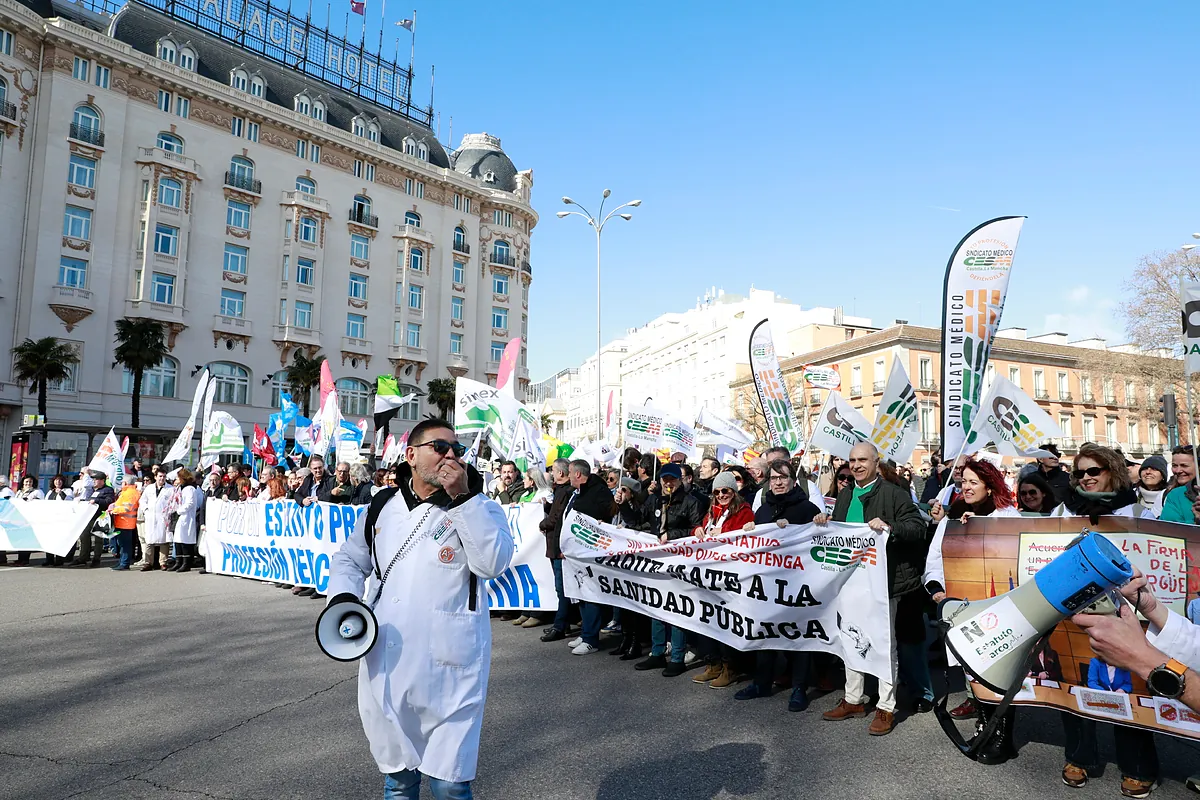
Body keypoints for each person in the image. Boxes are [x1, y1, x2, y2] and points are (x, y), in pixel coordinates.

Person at [327, 418, 513, 800]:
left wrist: (462, 498)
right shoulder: (381, 507)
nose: (450, 455)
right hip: (389, 658)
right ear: (411, 455)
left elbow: (492, 563)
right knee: (398, 779)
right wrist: (344, 600)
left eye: (456, 450)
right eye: (439, 447)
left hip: (450, 665)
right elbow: (349, 560)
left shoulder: (481, 508)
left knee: (449, 784)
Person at [1044, 444, 1159, 795]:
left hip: (1126, 617)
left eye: (1095, 471)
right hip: (1075, 614)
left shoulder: (1139, 511)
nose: (1087, 478)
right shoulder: (1064, 511)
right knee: (1075, 686)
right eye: (1080, 473)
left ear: (1113, 470)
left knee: (1130, 689)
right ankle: (1081, 755)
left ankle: (1138, 766)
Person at [820, 442, 928, 736]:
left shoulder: (893, 493)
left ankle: (886, 707)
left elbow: (917, 527)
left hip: (884, 583)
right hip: (851, 583)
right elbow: (840, 534)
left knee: (883, 643)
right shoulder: (844, 494)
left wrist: (890, 526)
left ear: (876, 462)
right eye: (852, 460)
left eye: (862, 460)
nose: (856, 465)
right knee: (849, 639)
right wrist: (825, 524)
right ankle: (853, 699)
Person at [926, 458, 1021, 762]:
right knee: (974, 672)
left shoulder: (1008, 516)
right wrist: (937, 590)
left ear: (990, 486)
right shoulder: (952, 517)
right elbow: (935, 560)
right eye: (963, 481)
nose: (965, 487)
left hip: (1001, 606)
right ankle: (984, 726)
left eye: (972, 482)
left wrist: (980, 529)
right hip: (962, 608)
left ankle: (1002, 736)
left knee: (1000, 674)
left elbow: (1016, 558)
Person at [733, 459, 823, 710]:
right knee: (765, 633)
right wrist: (750, 531)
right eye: (774, 478)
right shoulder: (762, 510)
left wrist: (818, 522)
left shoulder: (807, 508)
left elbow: (818, 540)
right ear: (768, 482)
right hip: (767, 586)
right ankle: (761, 683)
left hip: (798, 585)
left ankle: (799, 688)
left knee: (799, 636)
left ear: (793, 480)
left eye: (783, 477)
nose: (779, 482)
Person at [635, 463, 706, 675]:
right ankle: (657, 654)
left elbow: (696, 531)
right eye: (665, 479)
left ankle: (677, 657)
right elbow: (639, 520)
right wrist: (623, 505)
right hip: (657, 561)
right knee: (656, 606)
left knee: (676, 609)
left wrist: (672, 537)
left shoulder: (691, 502)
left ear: (679, 480)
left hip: (679, 561)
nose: (668, 483)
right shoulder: (656, 499)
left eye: (672, 479)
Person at [688, 470, 756, 686]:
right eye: (716, 492)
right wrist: (698, 530)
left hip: (730, 574)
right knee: (708, 619)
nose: (721, 495)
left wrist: (724, 532)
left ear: (733, 491)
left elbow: (744, 537)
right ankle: (713, 662)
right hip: (709, 573)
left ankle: (730, 667)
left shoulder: (743, 510)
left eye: (725, 491)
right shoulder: (713, 511)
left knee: (726, 622)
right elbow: (702, 530)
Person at [562, 459, 617, 655]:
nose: (567, 475)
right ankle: (586, 633)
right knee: (580, 594)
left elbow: (610, 511)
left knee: (590, 593)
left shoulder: (597, 490)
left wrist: (602, 522)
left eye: (569, 472)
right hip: (574, 552)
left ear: (578, 474)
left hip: (589, 551)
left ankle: (592, 638)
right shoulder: (577, 492)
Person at [1051, 443, 1142, 521]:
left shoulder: (1138, 513)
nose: (1085, 478)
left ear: (1112, 471)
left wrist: (1113, 523)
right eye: (1080, 473)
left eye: (1093, 471)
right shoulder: (1062, 511)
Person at [538, 459, 577, 642]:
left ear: (561, 473)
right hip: (555, 545)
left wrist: (543, 523)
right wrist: (546, 507)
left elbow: (556, 518)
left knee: (562, 588)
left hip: (560, 546)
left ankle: (560, 626)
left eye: (553, 470)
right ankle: (564, 623)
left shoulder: (566, 492)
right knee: (559, 587)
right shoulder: (561, 491)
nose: (552, 473)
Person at [69, 471, 115, 568]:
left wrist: (97, 501)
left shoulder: (108, 490)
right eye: (93, 479)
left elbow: (109, 501)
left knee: (98, 539)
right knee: (84, 537)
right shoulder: (93, 490)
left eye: (96, 479)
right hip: (89, 517)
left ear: (102, 480)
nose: (94, 481)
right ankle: (83, 557)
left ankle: (96, 559)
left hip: (100, 517)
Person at [139, 470, 172, 571]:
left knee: (164, 540)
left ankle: (163, 562)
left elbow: (173, 502)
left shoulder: (170, 489)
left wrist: (169, 511)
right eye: (160, 476)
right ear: (156, 477)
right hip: (151, 516)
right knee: (149, 540)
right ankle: (148, 562)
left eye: (164, 476)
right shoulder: (149, 488)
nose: (162, 478)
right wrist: (145, 510)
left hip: (163, 517)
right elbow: (142, 500)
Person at [170, 468, 201, 573]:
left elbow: (190, 503)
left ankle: (186, 563)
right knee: (178, 540)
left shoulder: (190, 489)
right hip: (180, 516)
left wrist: (178, 511)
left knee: (185, 540)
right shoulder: (180, 488)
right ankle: (178, 562)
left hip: (186, 517)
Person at [1160, 445, 1198, 524]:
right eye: (1174, 466)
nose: (1178, 470)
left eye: (1184, 466)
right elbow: (1169, 529)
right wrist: (1195, 521)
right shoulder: (1174, 495)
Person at [109, 478, 141, 571]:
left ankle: (124, 563)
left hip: (125, 522)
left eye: (122, 482)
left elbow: (126, 508)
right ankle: (122, 562)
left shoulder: (129, 493)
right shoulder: (128, 492)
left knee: (125, 544)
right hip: (124, 522)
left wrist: (114, 510)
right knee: (123, 544)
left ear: (126, 482)